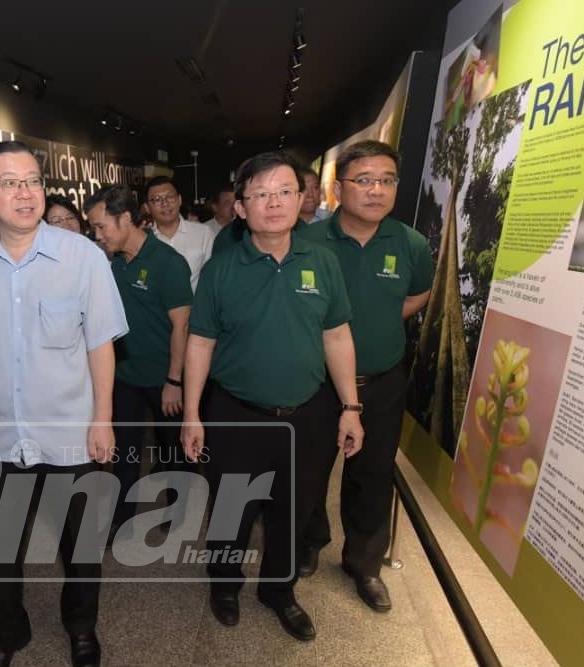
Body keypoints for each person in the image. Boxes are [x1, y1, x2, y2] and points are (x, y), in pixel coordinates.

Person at [0, 140, 128, 667]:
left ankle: (81, 627)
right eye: (9, 183)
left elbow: (100, 345)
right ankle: (7, 635)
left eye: (32, 181)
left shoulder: (83, 257)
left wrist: (103, 419)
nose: (24, 193)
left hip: (70, 430)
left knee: (81, 545)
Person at [180, 152, 364, 642]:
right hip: (237, 413)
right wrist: (192, 413)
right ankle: (224, 584)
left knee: (295, 508)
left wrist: (350, 407)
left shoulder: (322, 261)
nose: (274, 202)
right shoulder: (222, 268)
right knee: (232, 508)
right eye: (259, 194)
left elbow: (338, 336)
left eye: (284, 190)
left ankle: (279, 592)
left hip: (308, 414)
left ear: (302, 198)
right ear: (240, 208)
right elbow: (200, 342)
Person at [297, 140, 433, 612]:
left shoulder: (411, 244)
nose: (376, 190)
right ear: (339, 189)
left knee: (373, 476)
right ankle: (309, 542)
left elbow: (417, 296)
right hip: (314, 384)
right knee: (309, 470)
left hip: (381, 382)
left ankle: (364, 564)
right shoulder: (307, 243)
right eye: (364, 180)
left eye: (387, 180)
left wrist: (378, 322)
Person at [84, 184, 192, 536]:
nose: (97, 235)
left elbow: (182, 326)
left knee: (172, 449)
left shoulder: (168, 263)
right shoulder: (111, 264)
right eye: (94, 228)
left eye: (102, 227)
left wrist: (174, 381)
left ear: (126, 219)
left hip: (165, 378)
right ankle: (123, 516)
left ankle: (177, 511)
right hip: (124, 376)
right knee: (126, 450)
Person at [144, 176, 215, 291]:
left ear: (179, 200)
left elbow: (213, 278)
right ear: (147, 207)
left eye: (170, 197)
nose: (165, 204)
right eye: (157, 199)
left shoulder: (204, 234)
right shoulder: (143, 239)